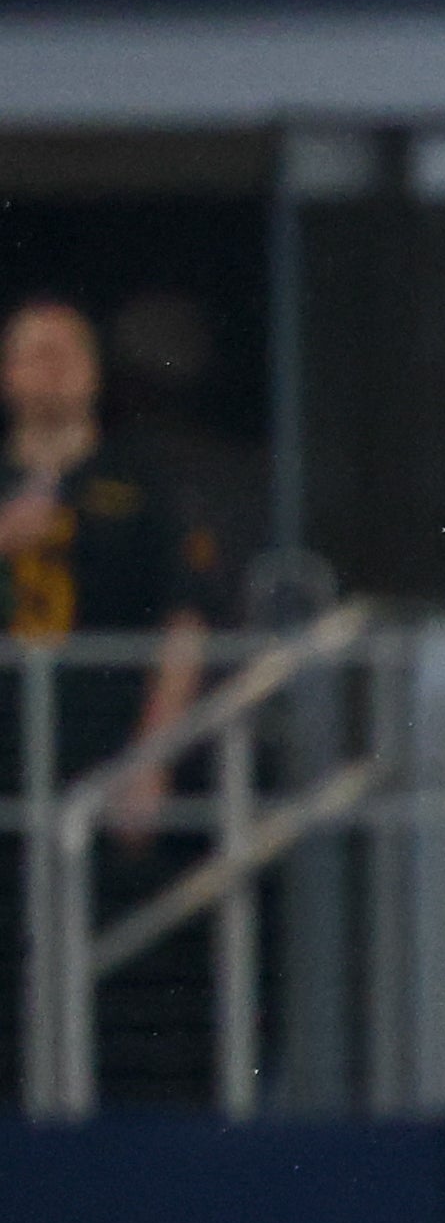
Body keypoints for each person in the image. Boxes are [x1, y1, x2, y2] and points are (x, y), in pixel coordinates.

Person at [1, 294, 225, 1103]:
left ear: (94, 374)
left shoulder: (144, 480)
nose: (50, 367)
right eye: (33, 351)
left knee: (120, 969)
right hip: (8, 771)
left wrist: (153, 759)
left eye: (67, 351)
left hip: (101, 760)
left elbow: (185, 617)